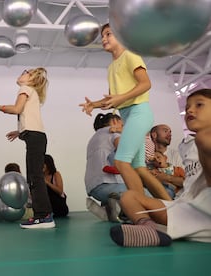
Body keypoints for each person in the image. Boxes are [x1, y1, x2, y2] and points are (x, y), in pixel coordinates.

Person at [79, 23, 171, 201]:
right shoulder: (111, 68)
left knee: (121, 162)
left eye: (108, 34)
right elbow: (113, 98)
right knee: (139, 168)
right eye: (102, 36)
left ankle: (140, 211)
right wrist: (94, 104)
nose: (104, 38)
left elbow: (145, 84)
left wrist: (120, 98)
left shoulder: (130, 55)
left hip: (139, 112)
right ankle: (170, 206)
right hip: (127, 116)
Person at [109, 88, 211, 247]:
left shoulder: (200, 141)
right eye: (187, 107)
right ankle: (148, 229)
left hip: (207, 209)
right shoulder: (186, 145)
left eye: (199, 105)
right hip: (187, 208)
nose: (190, 110)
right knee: (128, 197)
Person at [0, 67, 54, 229]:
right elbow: (29, 118)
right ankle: (43, 215)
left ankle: (43, 217)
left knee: (34, 177)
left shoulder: (25, 89)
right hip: (35, 137)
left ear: (31, 79)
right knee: (34, 176)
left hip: (35, 137)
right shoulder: (31, 91)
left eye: (26, 72)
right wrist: (20, 132)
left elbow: (16, 109)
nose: (22, 73)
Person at [84, 112, 127, 222]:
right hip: (111, 187)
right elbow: (125, 151)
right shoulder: (114, 133)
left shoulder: (93, 139)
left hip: (94, 188)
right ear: (114, 122)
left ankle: (108, 209)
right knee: (143, 193)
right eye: (122, 125)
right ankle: (117, 207)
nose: (123, 128)